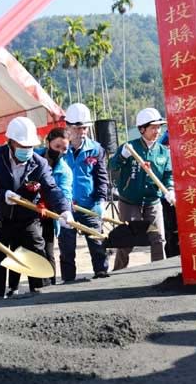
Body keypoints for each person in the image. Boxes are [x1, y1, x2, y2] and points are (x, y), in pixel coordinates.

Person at [0, 117, 73, 299]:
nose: (27, 150)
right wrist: (3, 194)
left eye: (30, 146)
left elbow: (52, 188)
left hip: (28, 219)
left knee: (37, 253)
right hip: (0, 220)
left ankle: (41, 295)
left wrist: (64, 210)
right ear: (10, 141)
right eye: (23, 145)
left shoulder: (39, 163)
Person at [109, 108, 174, 271]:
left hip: (152, 202)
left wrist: (170, 189)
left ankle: (158, 272)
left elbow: (168, 174)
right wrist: (122, 156)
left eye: (159, 127)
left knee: (158, 239)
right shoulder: (129, 148)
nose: (157, 131)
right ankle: (118, 273)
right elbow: (112, 166)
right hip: (130, 202)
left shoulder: (163, 152)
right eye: (153, 127)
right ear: (142, 129)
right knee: (127, 241)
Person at [63, 103, 110, 280]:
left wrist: (100, 201)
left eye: (85, 128)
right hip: (66, 207)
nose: (82, 131)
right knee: (67, 247)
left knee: (97, 243)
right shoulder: (60, 148)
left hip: (89, 205)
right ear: (68, 127)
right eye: (77, 128)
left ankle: (101, 273)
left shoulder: (96, 149)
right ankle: (68, 280)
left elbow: (102, 178)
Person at [34, 127, 73, 285]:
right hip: (29, 211)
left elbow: (63, 194)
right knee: (34, 250)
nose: (60, 151)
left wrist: (65, 211)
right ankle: (33, 285)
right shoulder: (34, 158)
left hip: (50, 214)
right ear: (48, 142)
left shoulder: (64, 171)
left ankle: (50, 285)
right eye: (57, 147)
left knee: (48, 251)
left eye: (64, 149)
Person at [158, 130, 180, 257]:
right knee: (171, 230)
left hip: (184, 194)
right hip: (167, 196)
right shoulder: (165, 140)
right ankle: (173, 257)